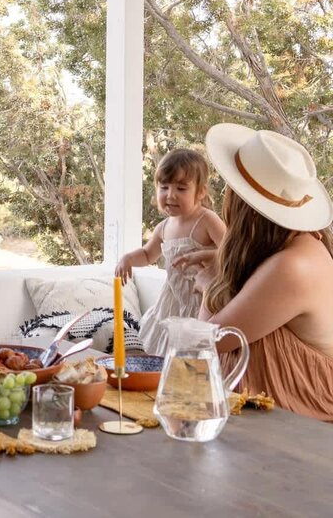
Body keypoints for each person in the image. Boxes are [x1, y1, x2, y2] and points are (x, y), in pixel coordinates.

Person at [194, 123, 333, 421]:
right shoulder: (297, 247)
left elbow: (208, 341)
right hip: (277, 415)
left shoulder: (292, 266)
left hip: (309, 423)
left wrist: (209, 285)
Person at [115, 148, 225, 356]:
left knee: (194, 354)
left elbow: (231, 253)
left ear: (201, 192)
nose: (170, 195)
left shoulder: (207, 221)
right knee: (164, 351)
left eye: (181, 188)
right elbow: (148, 254)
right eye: (164, 187)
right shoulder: (164, 227)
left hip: (201, 301)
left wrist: (208, 256)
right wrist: (128, 258)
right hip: (173, 301)